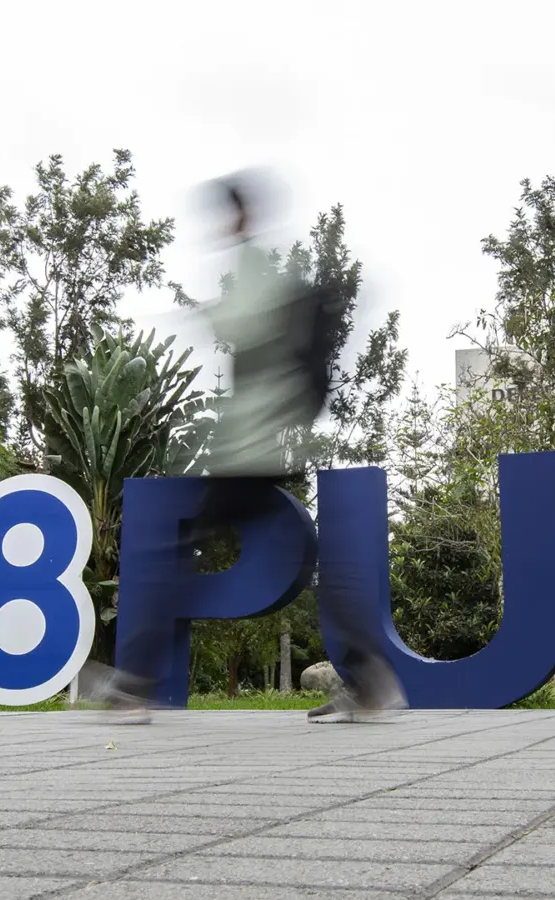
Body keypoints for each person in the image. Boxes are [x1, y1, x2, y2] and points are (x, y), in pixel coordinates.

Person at [105, 171, 404, 724]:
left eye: (226, 215)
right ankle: (369, 679)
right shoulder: (261, 269)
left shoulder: (254, 268)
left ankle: (134, 686)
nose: (220, 227)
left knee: (179, 549)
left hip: (249, 448)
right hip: (261, 444)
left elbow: (244, 329)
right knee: (306, 559)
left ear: (239, 215)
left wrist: (200, 313)